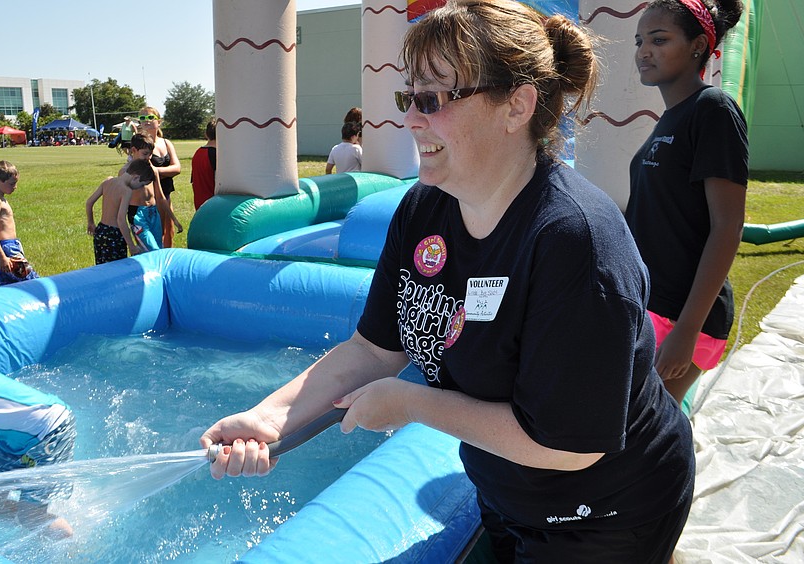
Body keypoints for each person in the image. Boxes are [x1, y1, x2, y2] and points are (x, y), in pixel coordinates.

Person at [201, 2, 695, 562]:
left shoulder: (574, 240)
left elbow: (568, 444)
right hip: (506, 492)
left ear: (516, 106)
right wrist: (268, 417)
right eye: (406, 97)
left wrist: (411, 403)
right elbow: (372, 348)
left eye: (432, 99)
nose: (411, 118)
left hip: (608, 513)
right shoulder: (422, 210)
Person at [627, 0, 747, 406]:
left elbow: (728, 227)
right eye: (640, 40)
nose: (644, 51)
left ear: (698, 46)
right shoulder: (669, 119)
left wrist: (687, 331)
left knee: (643, 437)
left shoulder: (712, 110)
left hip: (683, 316)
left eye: (659, 40)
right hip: (650, 305)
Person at [0, 351, 76, 538]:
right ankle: (40, 529)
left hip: (48, 430)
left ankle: (71, 550)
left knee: (30, 517)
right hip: (15, 437)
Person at [86, 158, 157, 264]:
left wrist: (91, 222)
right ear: (136, 177)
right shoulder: (126, 191)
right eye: (142, 184)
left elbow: (89, 202)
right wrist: (131, 246)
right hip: (115, 235)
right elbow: (121, 220)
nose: (139, 188)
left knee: (101, 268)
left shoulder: (108, 181)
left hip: (101, 231)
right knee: (116, 270)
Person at [0, 161, 40, 286]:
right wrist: (2, 256)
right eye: (12, 184)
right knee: (31, 280)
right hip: (8, 247)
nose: (15, 187)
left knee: (7, 281)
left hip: (6, 246)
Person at [120, 133, 179, 252]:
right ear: (133, 150)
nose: (149, 157)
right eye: (145, 154)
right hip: (137, 215)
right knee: (152, 250)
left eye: (151, 154)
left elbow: (161, 197)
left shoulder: (152, 169)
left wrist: (174, 219)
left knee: (158, 247)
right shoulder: (125, 172)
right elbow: (119, 199)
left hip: (153, 212)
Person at [136, 106, 182, 247]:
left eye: (150, 117)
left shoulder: (166, 143)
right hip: (151, 199)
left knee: (170, 232)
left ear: (159, 122)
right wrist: (165, 171)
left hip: (166, 194)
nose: (146, 121)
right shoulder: (139, 143)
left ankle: (169, 263)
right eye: (142, 118)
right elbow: (142, 172)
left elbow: (177, 168)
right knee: (157, 235)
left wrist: (156, 171)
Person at [190, 118, 217, 210]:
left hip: (200, 205)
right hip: (215, 205)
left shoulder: (198, 152)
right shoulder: (217, 155)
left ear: (206, 134)